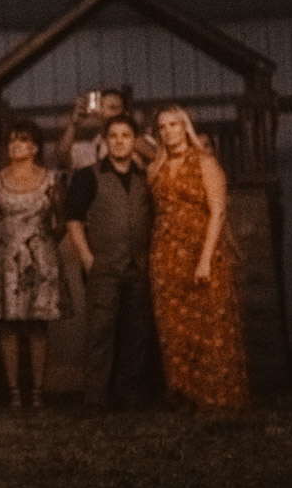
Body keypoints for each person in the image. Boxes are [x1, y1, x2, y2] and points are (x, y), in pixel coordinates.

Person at [148, 105, 250, 411]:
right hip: (166, 251)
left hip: (201, 249)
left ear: (185, 127)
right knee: (174, 327)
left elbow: (218, 212)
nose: (168, 132)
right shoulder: (156, 168)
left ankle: (218, 396)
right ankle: (183, 394)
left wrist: (205, 258)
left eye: (174, 125)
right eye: (162, 127)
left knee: (211, 321)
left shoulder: (205, 163)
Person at [65, 115, 159, 409]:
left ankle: (128, 395)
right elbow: (73, 219)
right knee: (100, 334)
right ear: (105, 141)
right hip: (103, 268)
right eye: (114, 136)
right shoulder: (87, 176)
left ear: (135, 141)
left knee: (136, 334)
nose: (119, 141)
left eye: (126, 135)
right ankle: (95, 399)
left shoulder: (146, 177)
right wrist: (87, 258)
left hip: (138, 267)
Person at [0, 120, 66, 409]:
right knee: (8, 326)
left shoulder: (51, 179)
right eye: (12, 140)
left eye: (22, 140)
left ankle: (38, 390)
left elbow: (61, 221)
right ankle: (14, 391)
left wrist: (40, 244)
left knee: (38, 326)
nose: (16, 145)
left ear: (35, 147)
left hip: (40, 257)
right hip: (5, 259)